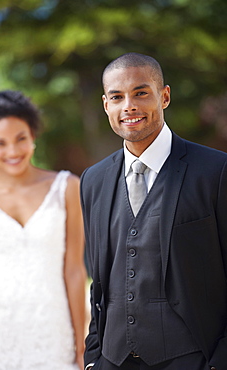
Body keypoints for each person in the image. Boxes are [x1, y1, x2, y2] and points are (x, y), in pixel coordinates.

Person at [80, 52, 227, 370]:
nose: (128, 106)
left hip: (193, 358)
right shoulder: (92, 180)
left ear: (164, 96)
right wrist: (93, 358)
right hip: (112, 359)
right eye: (117, 97)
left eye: (141, 92)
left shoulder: (216, 170)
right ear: (107, 105)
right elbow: (100, 281)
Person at [0, 90, 86, 370]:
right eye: (0, 143)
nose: (13, 152)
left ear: (33, 137)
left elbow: (74, 270)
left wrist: (82, 343)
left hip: (55, 334)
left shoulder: (66, 188)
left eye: (20, 139)